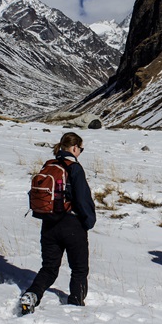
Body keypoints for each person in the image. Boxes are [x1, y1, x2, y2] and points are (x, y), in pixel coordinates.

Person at [21, 132, 96, 313]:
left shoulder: (49, 165)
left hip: (49, 224)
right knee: (79, 269)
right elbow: (82, 199)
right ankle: (76, 306)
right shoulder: (74, 168)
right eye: (81, 149)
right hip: (72, 225)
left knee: (49, 268)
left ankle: (32, 295)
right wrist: (88, 222)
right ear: (74, 148)